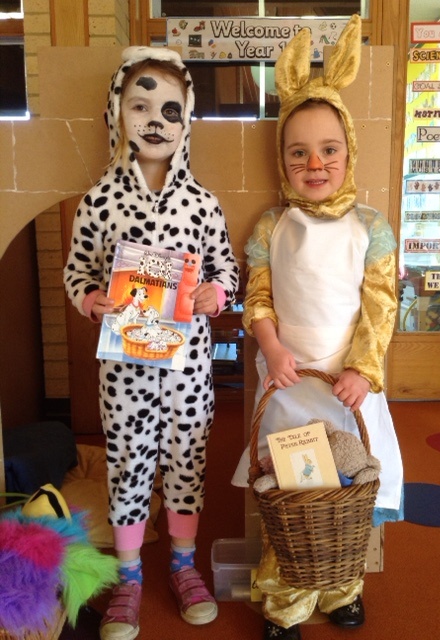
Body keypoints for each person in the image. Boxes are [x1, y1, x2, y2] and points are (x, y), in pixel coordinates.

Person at [231, 15, 403, 640]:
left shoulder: (370, 226)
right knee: (293, 497)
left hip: (348, 387)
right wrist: (272, 347)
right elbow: (258, 297)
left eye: (329, 149)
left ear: (349, 151)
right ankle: (286, 602)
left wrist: (363, 369)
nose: (315, 162)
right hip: (287, 384)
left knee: (347, 498)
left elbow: (380, 304)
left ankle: (342, 587)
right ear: (282, 159)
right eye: (298, 152)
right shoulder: (271, 227)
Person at [64, 45, 240, 640]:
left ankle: (184, 565)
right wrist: (92, 300)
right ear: (118, 112)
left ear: (186, 120)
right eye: (141, 107)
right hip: (124, 374)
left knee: (188, 463)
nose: (156, 121)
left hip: (189, 372)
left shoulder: (203, 204)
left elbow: (226, 267)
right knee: (128, 466)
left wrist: (217, 294)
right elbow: (76, 271)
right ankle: (130, 574)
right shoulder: (98, 201)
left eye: (170, 109)